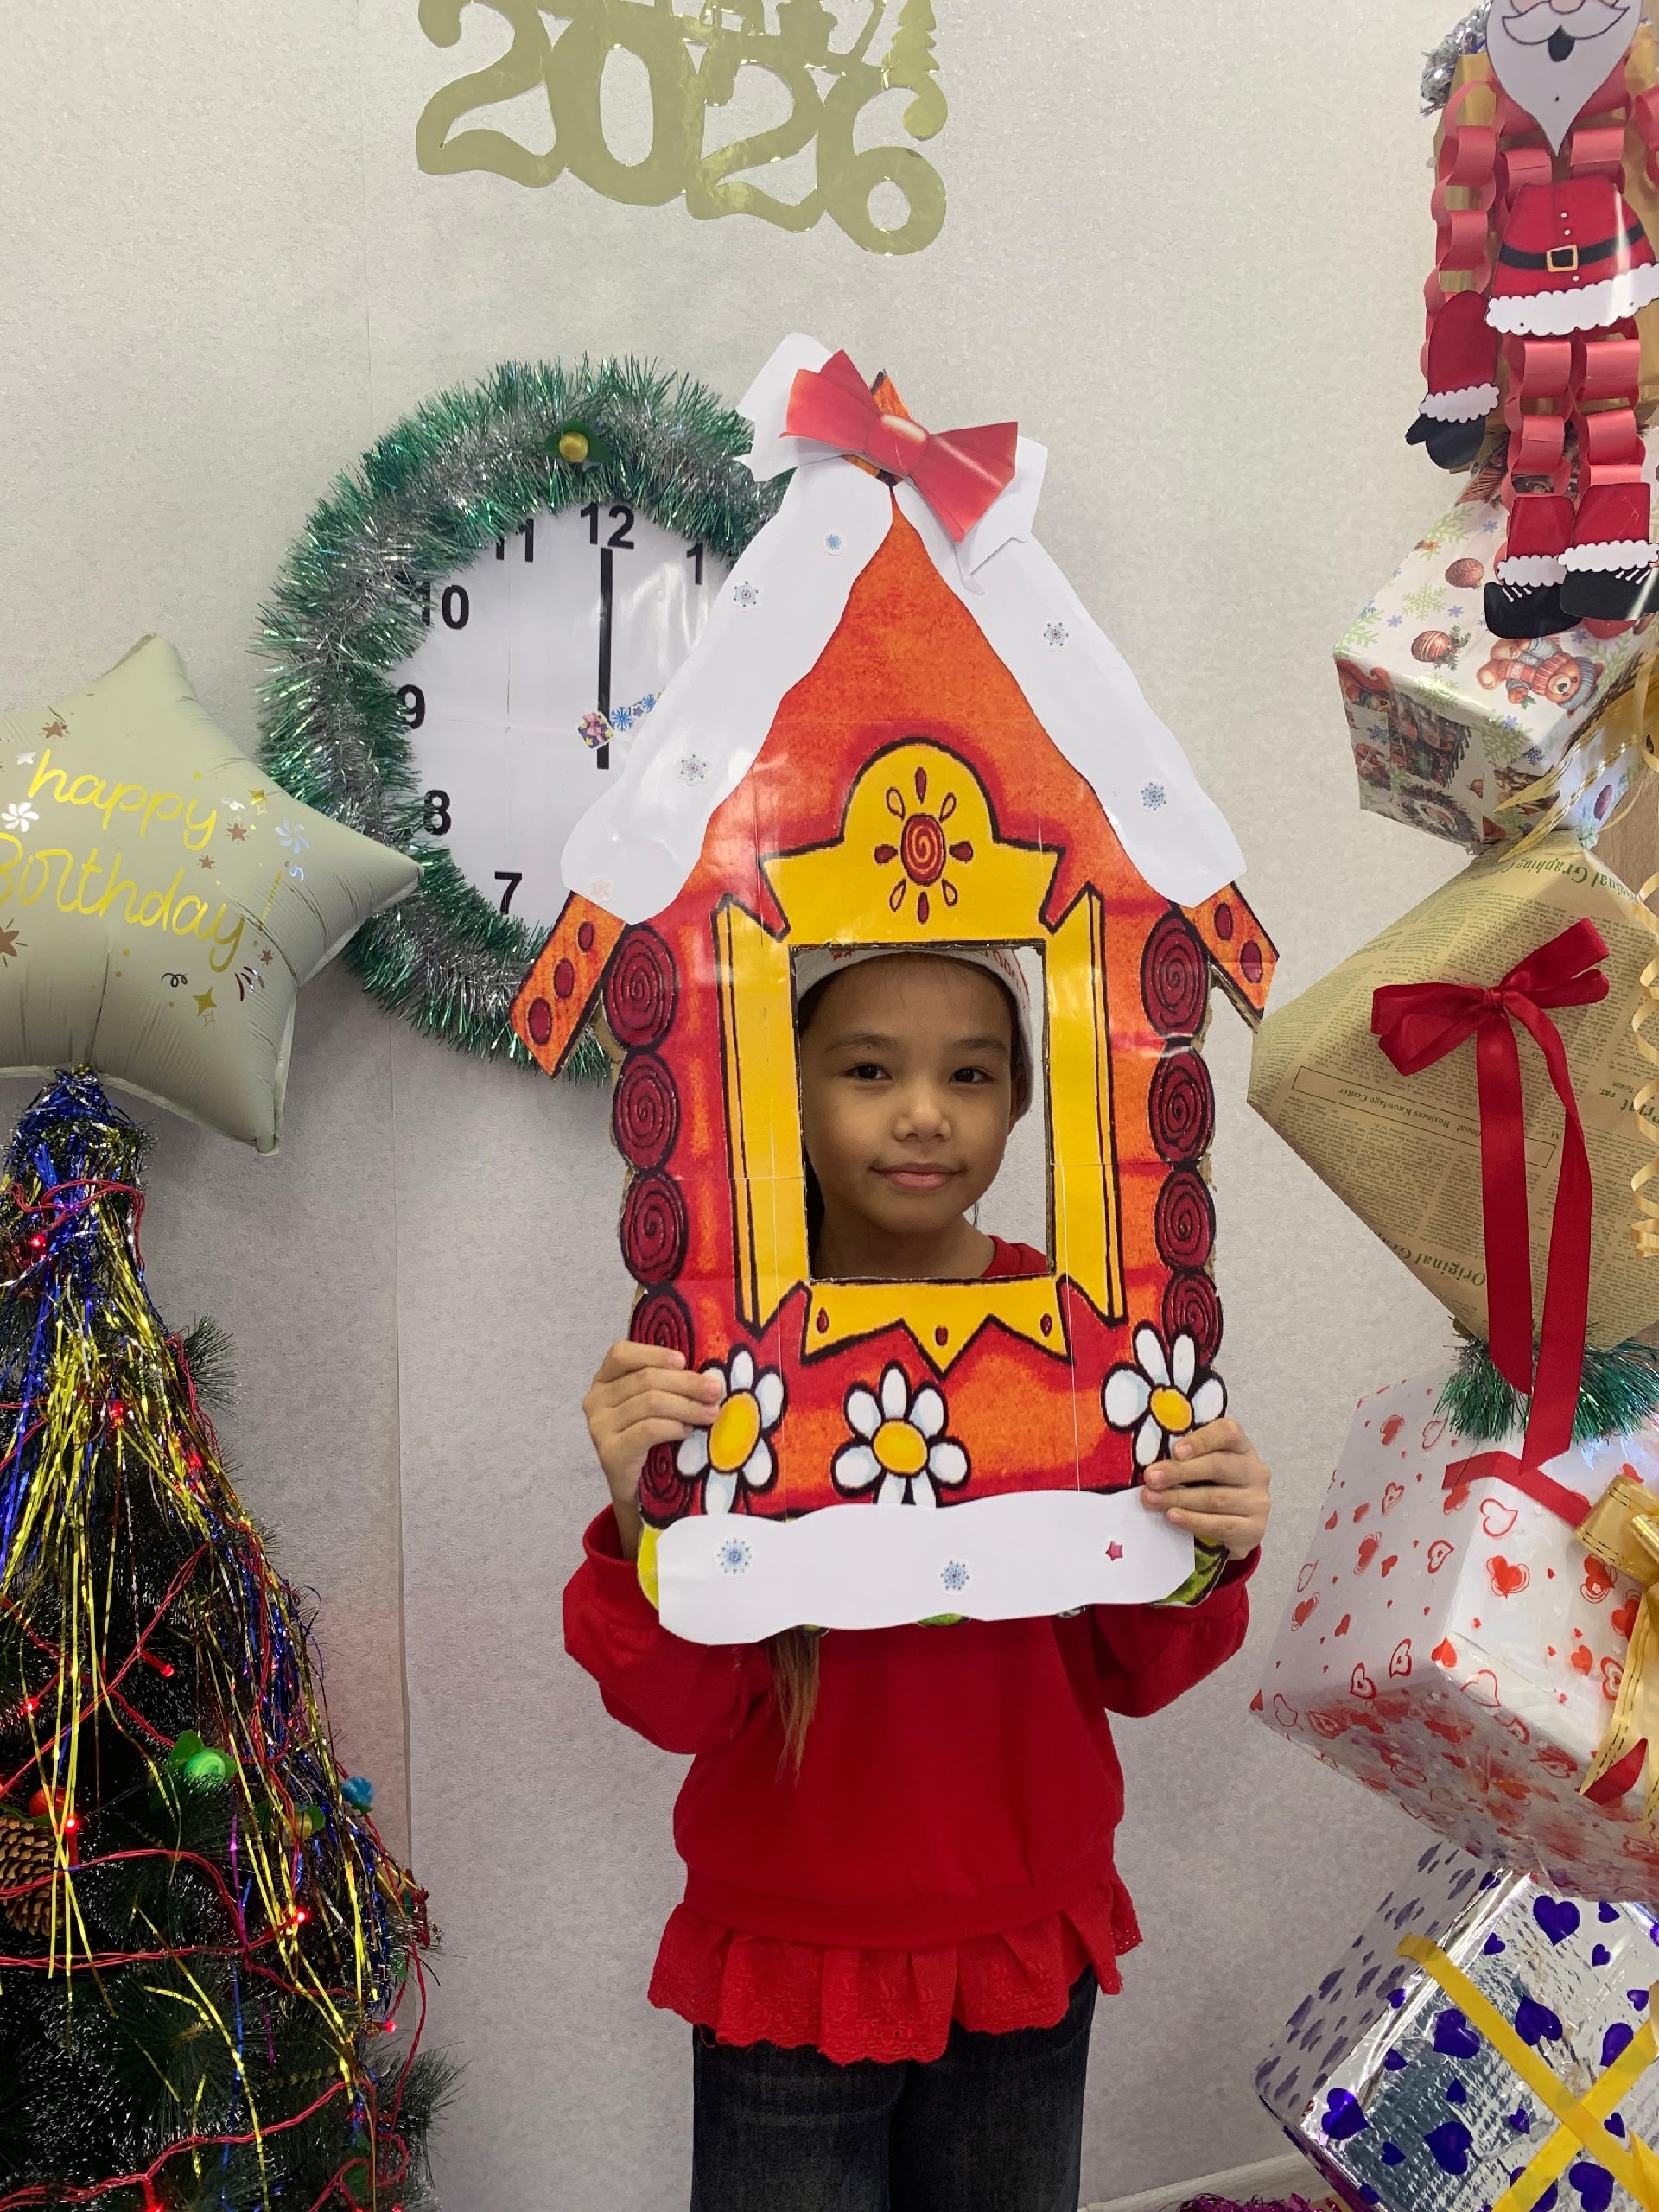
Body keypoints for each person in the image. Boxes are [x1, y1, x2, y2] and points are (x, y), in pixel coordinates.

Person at [568, 945, 1272, 2212]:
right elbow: (680, 1706)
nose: (924, 1114)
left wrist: (1207, 1538)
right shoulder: (722, 1346)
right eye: (868, 1070)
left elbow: (1140, 1668)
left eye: (971, 1075)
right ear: (783, 1090)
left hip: (1023, 1941)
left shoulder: (1087, 1329)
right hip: (790, 1956)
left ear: (1021, 1100)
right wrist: (638, 1511)